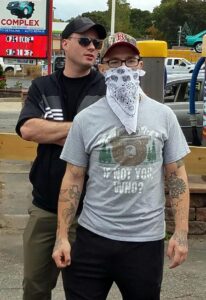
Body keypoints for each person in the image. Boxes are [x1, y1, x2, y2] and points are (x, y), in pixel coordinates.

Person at [52, 32, 190, 300]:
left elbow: (177, 175)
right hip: (93, 238)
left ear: (141, 66)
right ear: (102, 69)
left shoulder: (164, 116)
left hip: (145, 242)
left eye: (130, 61)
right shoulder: (85, 119)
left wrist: (181, 233)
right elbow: (73, 178)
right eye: (114, 63)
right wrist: (62, 236)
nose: (123, 69)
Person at [15, 16, 107, 300]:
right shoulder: (43, 86)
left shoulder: (105, 88)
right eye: (84, 40)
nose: (92, 47)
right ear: (65, 44)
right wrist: (82, 130)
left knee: (83, 292)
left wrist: (53, 131)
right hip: (45, 207)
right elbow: (28, 129)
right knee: (35, 286)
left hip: (91, 211)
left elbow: (108, 135)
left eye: (97, 43)